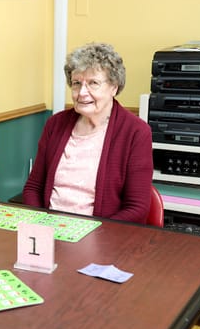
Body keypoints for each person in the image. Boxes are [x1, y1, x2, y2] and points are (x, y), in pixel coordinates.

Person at [22, 42, 153, 224]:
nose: (82, 93)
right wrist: (40, 226)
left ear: (114, 87)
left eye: (93, 83)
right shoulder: (55, 124)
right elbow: (33, 188)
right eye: (77, 83)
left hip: (104, 238)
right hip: (49, 231)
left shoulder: (136, 132)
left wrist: (91, 233)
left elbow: (137, 208)